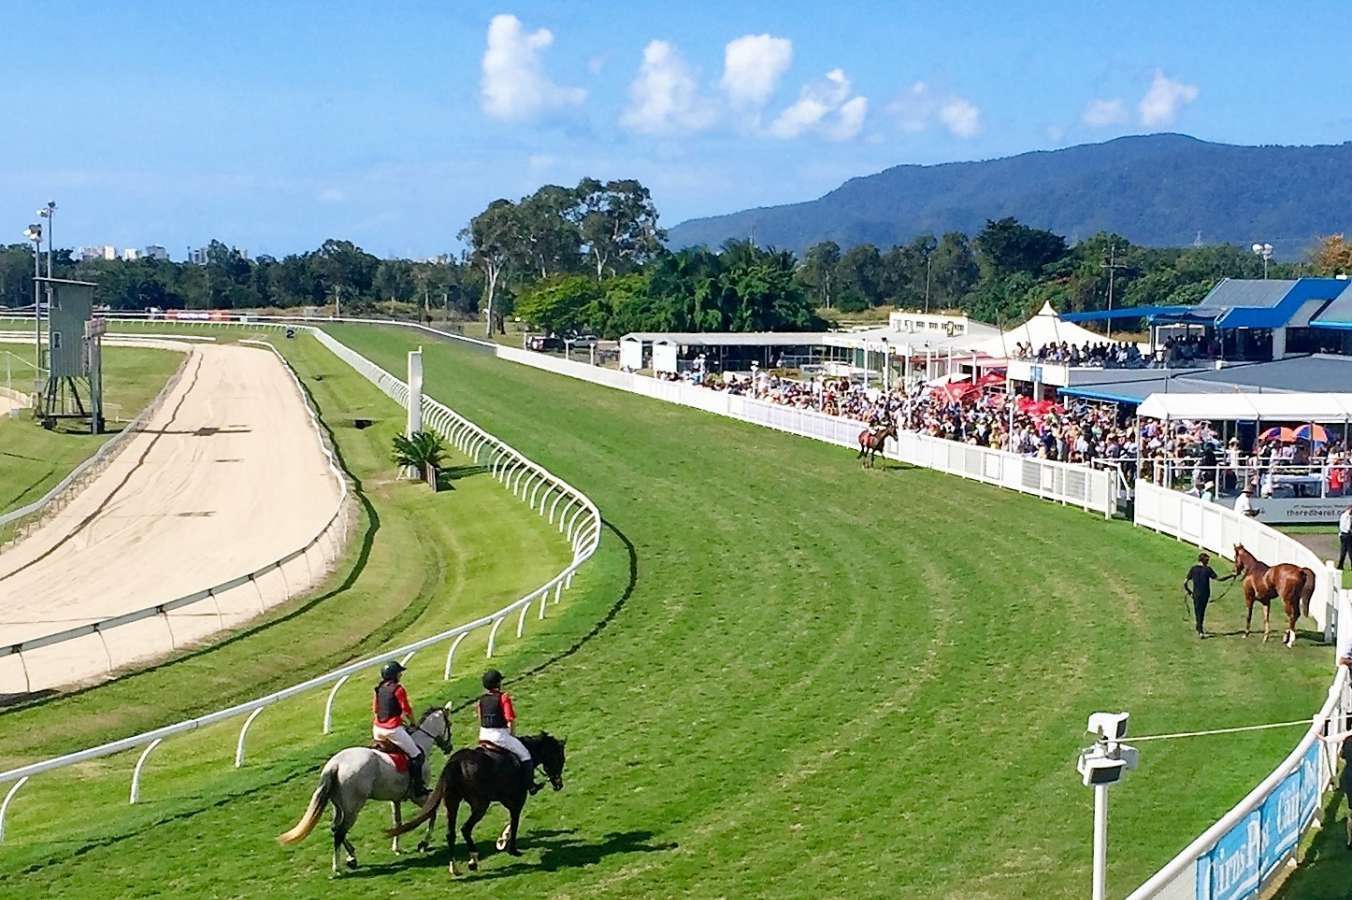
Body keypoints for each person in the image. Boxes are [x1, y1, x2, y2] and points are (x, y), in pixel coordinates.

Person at [477, 669, 540, 794]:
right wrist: (512, 736)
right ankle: (531, 785)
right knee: (525, 754)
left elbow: (480, 718)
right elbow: (510, 719)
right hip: (499, 736)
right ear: (498, 683)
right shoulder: (503, 697)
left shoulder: (481, 700)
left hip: (483, 735)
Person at [372, 661, 428, 796]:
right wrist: (413, 723)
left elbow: (375, 709)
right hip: (392, 730)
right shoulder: (398, 689)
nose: (401, 674)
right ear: (394, 675)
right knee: (417, 755)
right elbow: (406, 709)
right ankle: (418, 788)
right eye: (399, 673)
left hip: (377, 729)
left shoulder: (378, 689)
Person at [1184, 552, 1230, 637]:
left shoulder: (1193, 569)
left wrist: (1189, 592)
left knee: (1198, 611)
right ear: (1205, 561)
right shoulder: (1208, 569)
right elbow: (1219, 579)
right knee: (1202, 612)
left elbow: (1185, 582)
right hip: (1205, 594)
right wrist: (1231, 576)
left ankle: (1199, 628)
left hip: (1196, 594)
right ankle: (1200, 629)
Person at [1339, 504, 1352, 570]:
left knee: (1343, 552)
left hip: (1343, 535)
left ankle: (1340, 566)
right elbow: (1346, 527)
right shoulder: (1346, 516)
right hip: (1346, 535)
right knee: (1350, 551)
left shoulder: (1346, 515)